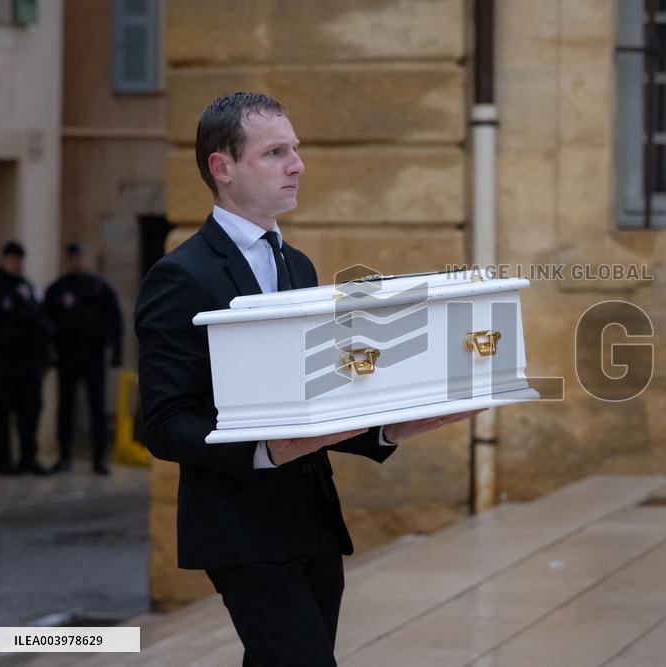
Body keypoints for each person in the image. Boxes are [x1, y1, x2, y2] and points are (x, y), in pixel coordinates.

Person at [134, 92, 479, 665]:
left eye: (295, 149)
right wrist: (265, 451)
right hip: (239, 525)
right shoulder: (180, 276)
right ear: (223, 168)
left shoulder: (298, 266)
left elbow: (319, 399)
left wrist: (391, 429)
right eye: (275, 152)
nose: (298, 164)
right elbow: (165, 424)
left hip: (312, 522)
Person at [45, 242, 123, 474]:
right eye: (73, 258)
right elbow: (46, 321)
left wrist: (116, 349)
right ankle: (65, 455)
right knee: (66, 404)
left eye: (80, 257)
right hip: (67, 354)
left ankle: (99, 457)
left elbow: (115, 319)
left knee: (96, 405)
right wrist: (49, 350)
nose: (77, 262)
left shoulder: (99, 287)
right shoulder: (58, 289)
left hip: (94, 353)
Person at [0, 241, 52, 475]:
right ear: (3, 259)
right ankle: (3, 460)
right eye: (12, 259)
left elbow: (41, 322)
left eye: (19, 260)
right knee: (2, 412)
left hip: (28, 362)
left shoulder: (27, 288)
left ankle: (28, 457)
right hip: (4, 362)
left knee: (29, 411)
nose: (16, 264)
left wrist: (44, 357)